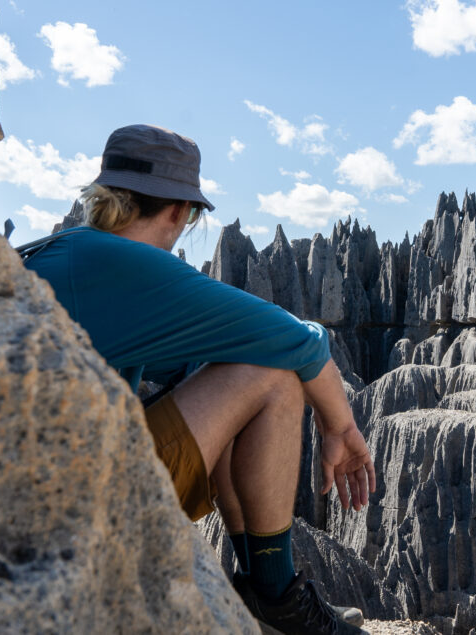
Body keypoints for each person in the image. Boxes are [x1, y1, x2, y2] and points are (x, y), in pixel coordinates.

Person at [23, 124, 375, 635]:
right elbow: (297, 341)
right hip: (78, 503)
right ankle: (276, 595)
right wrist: (339, 427)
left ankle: (258, 589)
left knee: (217, 367)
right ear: (178, 211)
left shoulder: (72, 247)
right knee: (271, 376)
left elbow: (184, 364)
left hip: (43, 481)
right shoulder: (128, 262)